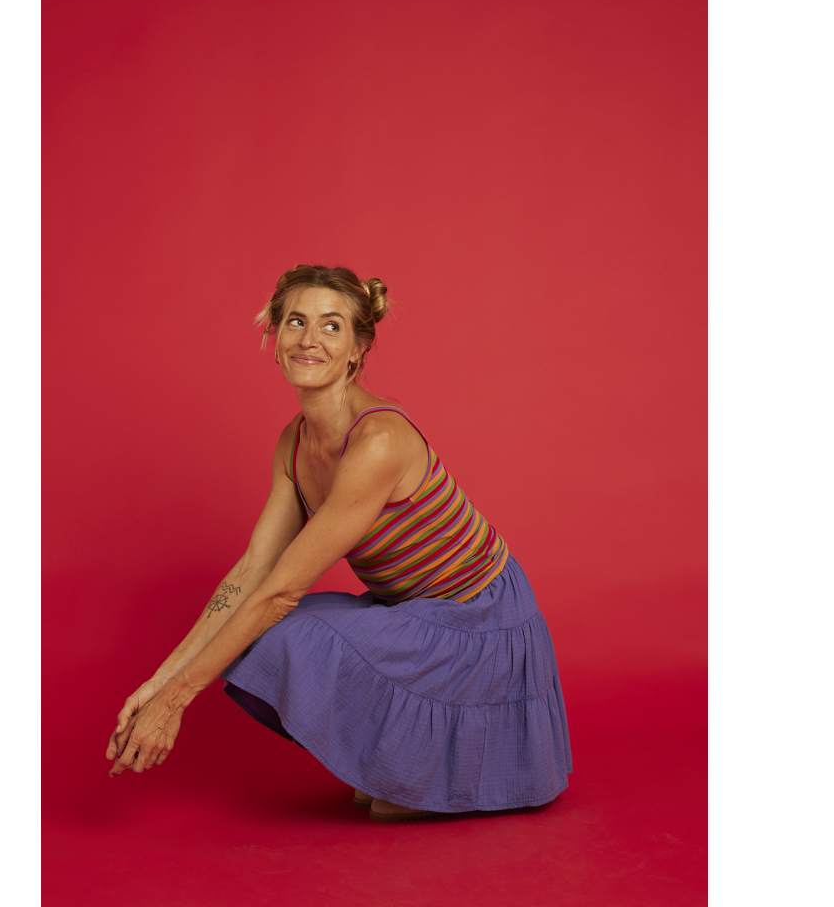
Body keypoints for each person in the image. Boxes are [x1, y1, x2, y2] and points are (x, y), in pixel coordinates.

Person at [105, 264, 571, 821]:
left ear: (357, 349)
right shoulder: (293, 441)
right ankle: (405, 771)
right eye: (295, 322)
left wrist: (176, 701)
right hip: (409, 611)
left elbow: (278, 594)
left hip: (478, 619)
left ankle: (430, 776)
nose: (309, 339)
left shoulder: (377, 440)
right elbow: (253, 571)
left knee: (282, 630)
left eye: (331, 326)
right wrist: (157, 684)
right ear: (274, 337)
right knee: (254, 633)